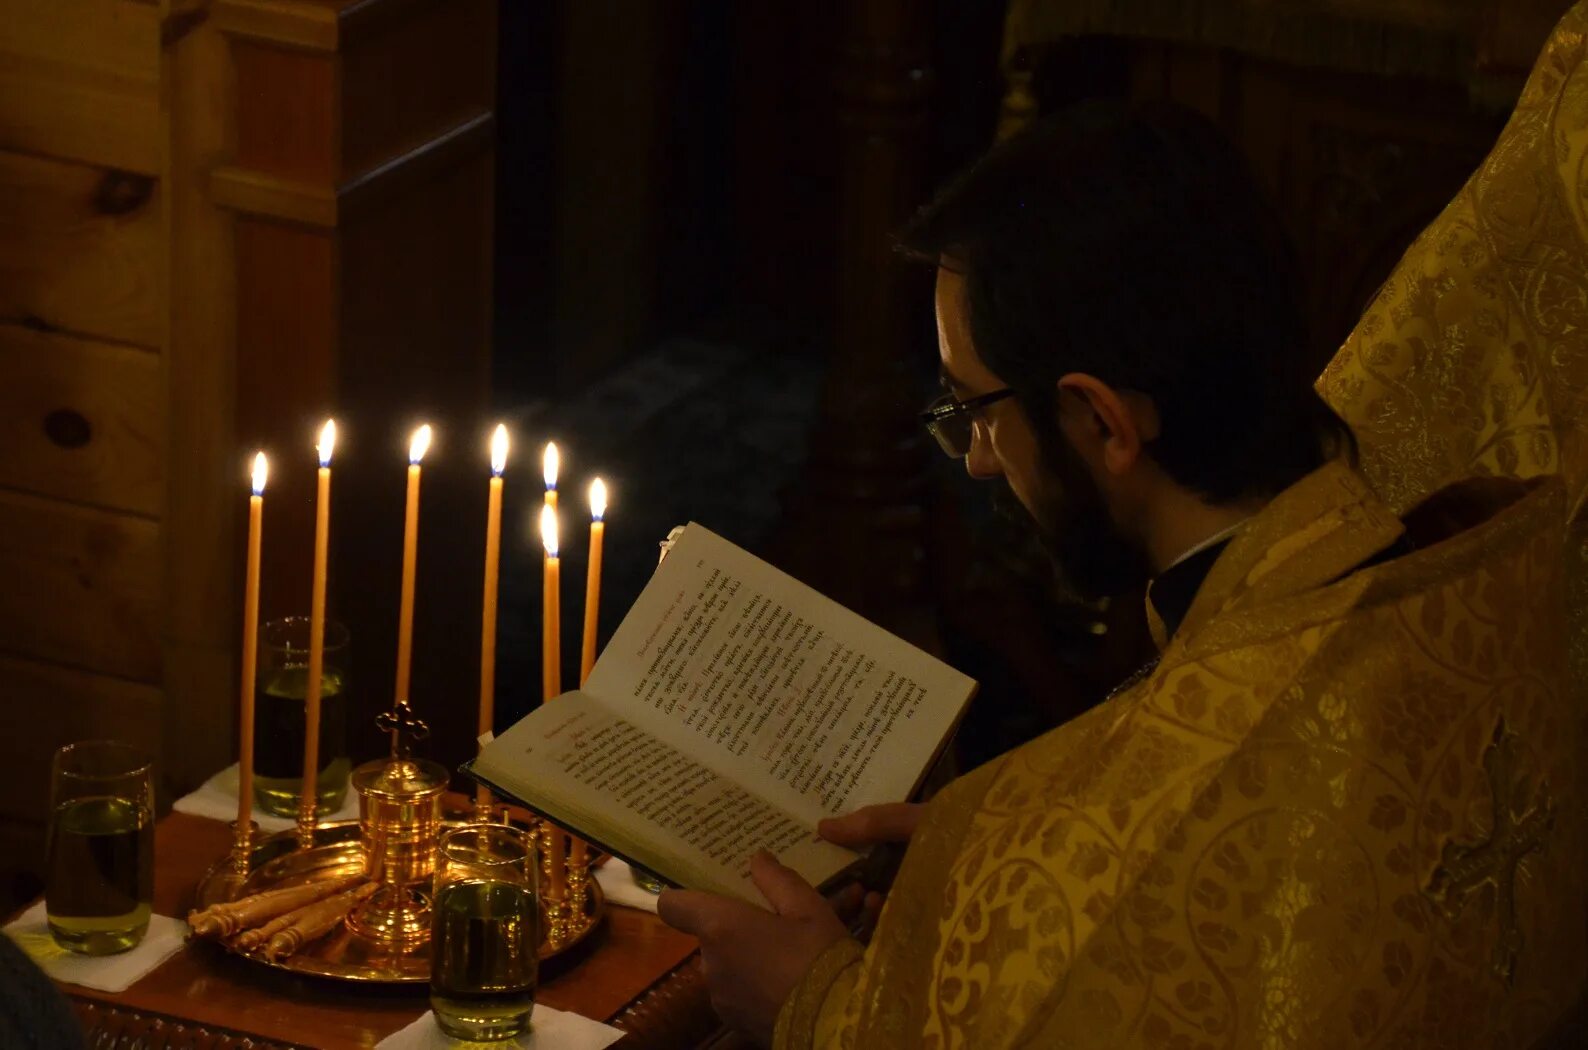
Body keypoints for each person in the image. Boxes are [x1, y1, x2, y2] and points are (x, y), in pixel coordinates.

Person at [658, 98, 1586, 1048]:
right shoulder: (1485, 577)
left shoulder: (1101, 813)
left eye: (973, 408)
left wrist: (814, 1007)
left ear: (1102, 422)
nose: (978, 459)